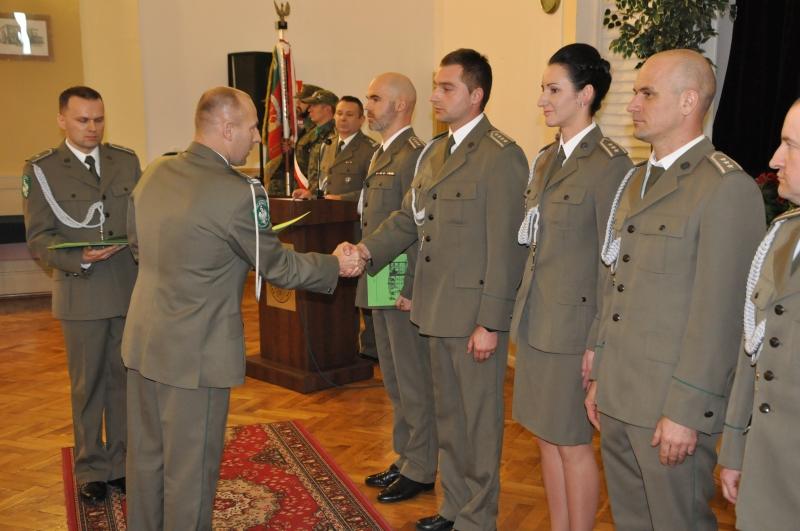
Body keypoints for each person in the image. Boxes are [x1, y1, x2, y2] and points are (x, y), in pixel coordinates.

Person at [122, 86, 360, 530]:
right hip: (197, 355)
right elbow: (279, 267)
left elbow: (136, 244)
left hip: (144, 341)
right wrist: (335, 264)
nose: (256, 137)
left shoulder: (154, 172)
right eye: (252, 127)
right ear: (226, 127)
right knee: (191, 475)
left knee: (146, 461)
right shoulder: (239, 194)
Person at [340, 48, 529, 531]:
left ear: (476, 94)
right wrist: (365, 252)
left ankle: (477, 518)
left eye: (447, 88)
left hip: (472, 317)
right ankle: (453, 508)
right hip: (435, 308)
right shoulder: (436, 153)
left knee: (478, 425)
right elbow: (408, 218)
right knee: (449, 419)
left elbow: (508, 249)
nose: (436, 96)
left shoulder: (500, 156)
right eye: (436, 86)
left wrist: (491, 322)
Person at [584, 49, 765, 530]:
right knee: (632, 520)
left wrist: (687, 410)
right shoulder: (636, 181)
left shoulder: (725, 188)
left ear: (688, 102)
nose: (632, 104)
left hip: (669, 406)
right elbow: (617, 288)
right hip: (622, 394)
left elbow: (721, 318)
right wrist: (601, 370)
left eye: (646, 92)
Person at [510, 43, 632, 531]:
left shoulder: (609, 164)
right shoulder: (545, 161)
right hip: (539, 320)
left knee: (573, 443)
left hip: (575, 328)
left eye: (553, 89)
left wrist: (595, 345)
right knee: (544, 436)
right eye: (543, 88)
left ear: (585, 95)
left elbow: (612, 264)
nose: (542, 99)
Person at [22, 86, 140, 503]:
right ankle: (91, 467)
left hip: (127, 289)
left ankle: (122, 463)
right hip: (82, 291)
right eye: (83, 120)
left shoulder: (125, 161)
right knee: (87, 386)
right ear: (62, 120)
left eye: (99, 119)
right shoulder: (42, 169)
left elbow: (138, 224)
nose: (93, 128)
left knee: (124, 381)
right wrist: (81, 257)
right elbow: (39, 237)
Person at [718, 99, 800, 531]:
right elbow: (753, 353)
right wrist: (735, 450)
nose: (774, 159)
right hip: (765, 471)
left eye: (790, 144)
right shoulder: (783, 235)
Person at [357, 73, 437, 504]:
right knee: (392, 377)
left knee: (412, 378)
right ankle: (406, 455)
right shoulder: (381, 152)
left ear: (402, 104)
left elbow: (419, 228)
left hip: (398, 280)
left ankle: (422, 466)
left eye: (375, 98)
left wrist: (410, 287)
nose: (368, 105)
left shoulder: (415, 155)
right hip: (377, 277)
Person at [294, 95, 378, 200]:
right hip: (324, 212)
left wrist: (342, 198)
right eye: (339, 114)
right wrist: (311, 194)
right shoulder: (326, 144)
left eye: (349, 114)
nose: (343, 118)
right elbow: (323, 184)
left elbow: (374, 191)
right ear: (334, 117)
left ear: (361, 120)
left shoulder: (371, 150)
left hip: (350, 213)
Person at [268, 88, 337, 196]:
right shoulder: (308, 134)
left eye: (314, 105)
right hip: (302, 191)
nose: (309, 110)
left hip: (319, 195)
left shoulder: (336, 136)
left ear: (327, 109)